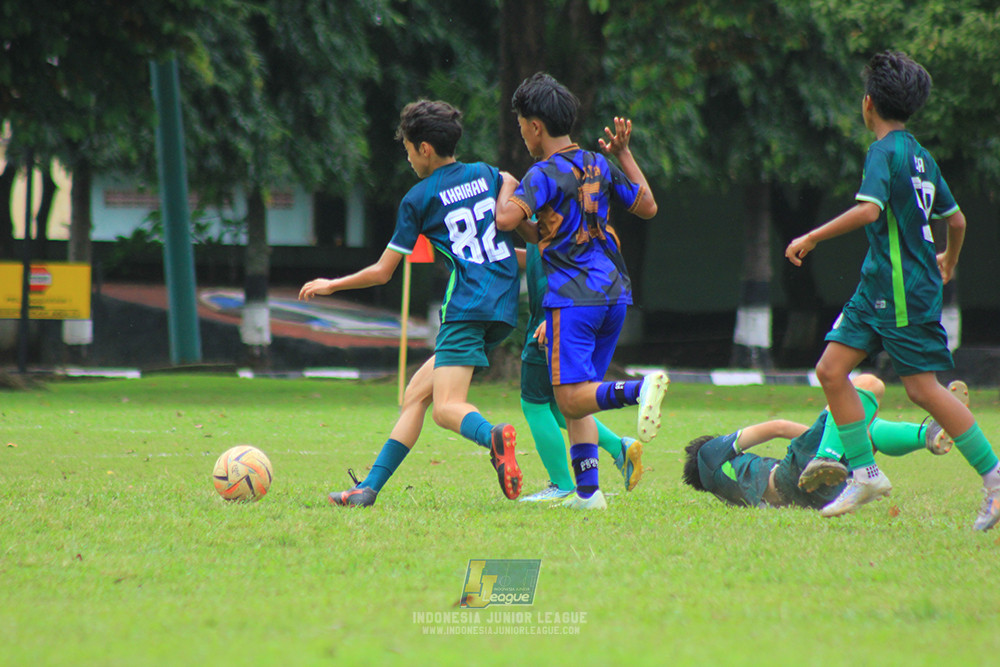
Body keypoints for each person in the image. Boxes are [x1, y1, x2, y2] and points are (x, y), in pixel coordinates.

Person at [785, 51, 1000, 529]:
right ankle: (865, 472)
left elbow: (868, 212)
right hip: (877, 285)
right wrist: (950, 258)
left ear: (868, 105)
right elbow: (957, 219)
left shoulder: (884, 152)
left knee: (923, 390)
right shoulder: (921, 156)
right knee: (831, 368)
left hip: (903, 289)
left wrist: (812, 236)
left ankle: (995, 481)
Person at [299, 100, 522, 506]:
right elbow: (508, 178)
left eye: (406, 148)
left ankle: (493, 437)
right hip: (503, 304)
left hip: (467, 305)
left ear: (424, 149)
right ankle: (367, 489)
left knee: (445, 408)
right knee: (415, 395)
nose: (406, 156)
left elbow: (383, 272)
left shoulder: (418, 198)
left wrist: (333, 284)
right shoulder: (487, 174)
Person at [494, 72, 666, 510]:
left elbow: (505, 222)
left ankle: (637, 390)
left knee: (568, 396)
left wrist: (509, 189)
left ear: (535, 126)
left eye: (521, 125)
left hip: (572, 299)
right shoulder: (597, 162)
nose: (522, 133)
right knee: (579, 398)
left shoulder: (542, 173)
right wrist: (624, 155)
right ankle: (588, 493)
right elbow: (646, 205)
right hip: (613, 294)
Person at [681, 374, 963, 509]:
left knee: (862, 427)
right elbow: (776, 427)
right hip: (795, 475)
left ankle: (928, 435)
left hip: (815, 498)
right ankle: (830, 452)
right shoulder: (708, 456)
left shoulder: (726, 494)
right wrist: (835, 432)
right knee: (868, 386)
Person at [516, 244, 645, 502]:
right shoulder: (547, 214)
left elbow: (575, 261)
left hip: (556, 314)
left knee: (534, 403)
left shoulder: (553, 211)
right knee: (564, 402)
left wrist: (553, 319)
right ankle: (616, 449)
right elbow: (537, 257)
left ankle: (562, 484)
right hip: (565, 311)